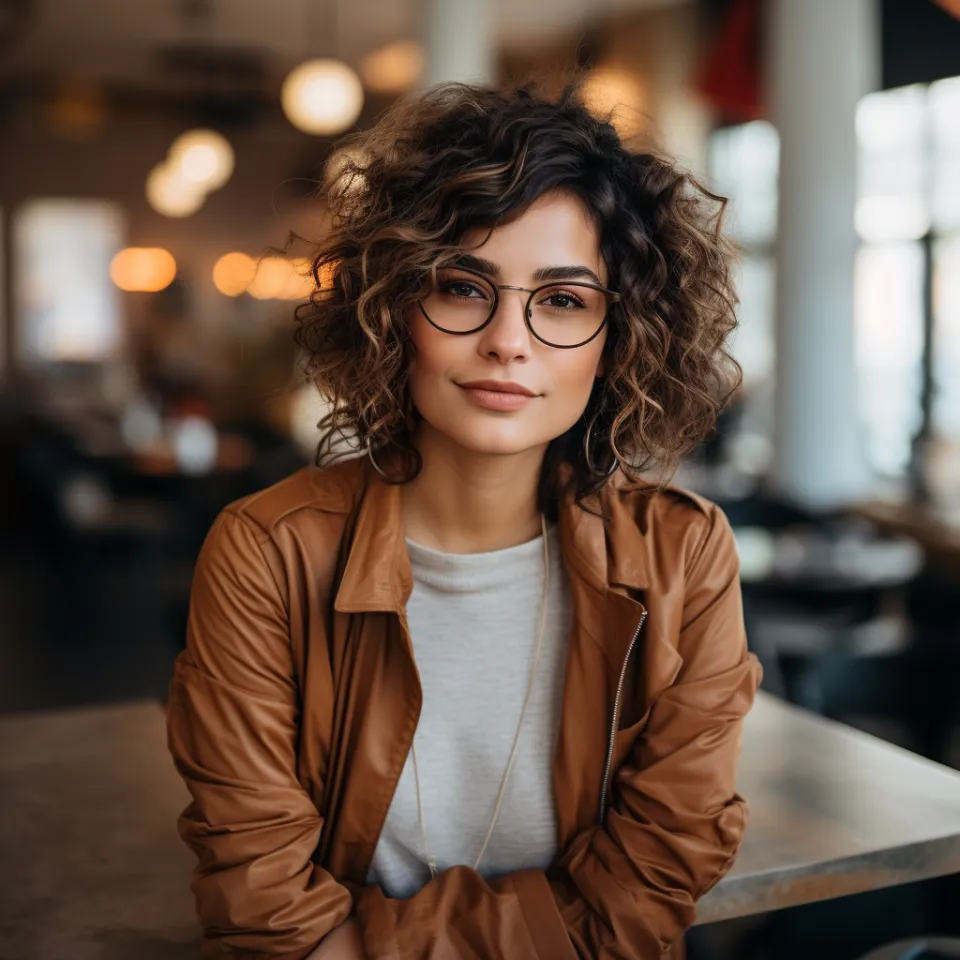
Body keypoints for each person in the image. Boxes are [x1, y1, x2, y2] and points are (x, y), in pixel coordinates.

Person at [166, 82, 763, 960]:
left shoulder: (685, 552)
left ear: (618, 336)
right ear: (394, 309)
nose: (508, 341)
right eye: (460, 287)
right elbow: (264, 914)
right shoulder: (269, 553)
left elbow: (646, 893)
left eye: (562, 300)